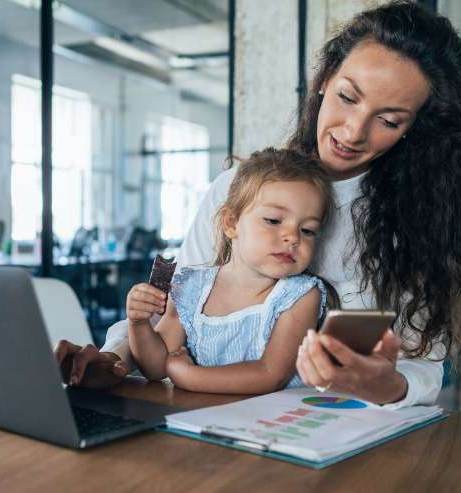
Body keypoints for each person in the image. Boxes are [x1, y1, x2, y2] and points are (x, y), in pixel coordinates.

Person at [54, 1, 461, 407]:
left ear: (415, 128)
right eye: (347, 97)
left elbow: (423, 371)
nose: (354, 131)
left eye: (388, 121)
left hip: (336, 431)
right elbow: (169, 312)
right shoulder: (238, 188)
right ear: (324, 80)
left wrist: (383, 384)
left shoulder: (415, 223)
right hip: (212, 420)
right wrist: (113, 360)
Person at [127, 149, 335, 394]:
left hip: (274, 423)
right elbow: (157, 367)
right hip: (201, 419)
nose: (292, 237)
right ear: (231, 223)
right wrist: (139, 324)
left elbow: (271, 375)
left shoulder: (299, 296)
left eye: (308, 230)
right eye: (273, 220)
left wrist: (189, 376)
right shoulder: (190, 288)